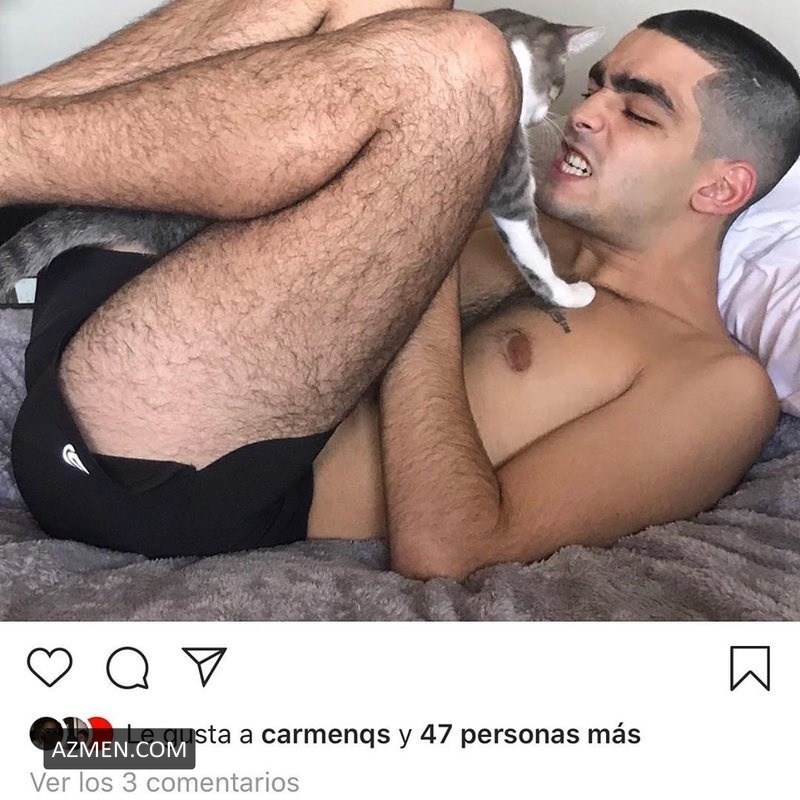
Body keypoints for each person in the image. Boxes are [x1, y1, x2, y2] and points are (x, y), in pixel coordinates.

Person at [3, 1, 799, 580]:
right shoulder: (515, 215)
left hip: (168, 458)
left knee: (465, 64)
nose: (586, 113)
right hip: (128, 308)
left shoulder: (715, 384)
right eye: (595, 87)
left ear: (721, 188)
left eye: (639, 113)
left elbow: (456, 550)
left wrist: (425, 259)